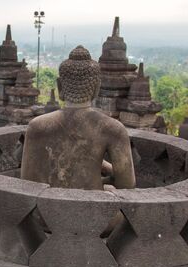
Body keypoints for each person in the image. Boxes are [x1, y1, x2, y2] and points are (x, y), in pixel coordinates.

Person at [20, 45, 135, 190]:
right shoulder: (113, 129)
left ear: (60, 87)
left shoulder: (37, 126)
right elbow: (127, 184)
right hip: (93, 208)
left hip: (47, 209)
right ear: (97, 88)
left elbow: (27, 182)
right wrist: (104, 168)